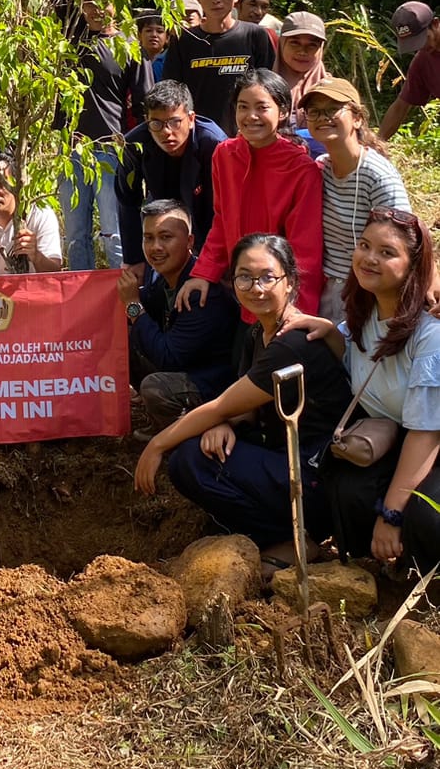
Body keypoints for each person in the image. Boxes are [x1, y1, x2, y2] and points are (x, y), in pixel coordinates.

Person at [135, 234, 351, 571]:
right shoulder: (258, 334)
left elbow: (223, 404)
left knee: (187, 460)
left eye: (268, 277)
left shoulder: (292, 344)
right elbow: (241, 405)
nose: (256, 287)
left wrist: (157, 445)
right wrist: (225, 423)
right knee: (201, 450)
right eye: (244, 277)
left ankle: (291, 540)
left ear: (290, 282)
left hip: (317, 476)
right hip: (284, 461)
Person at [317, 210, 440, 574]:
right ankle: (379, 569)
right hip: (397, 431)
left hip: (428, 437)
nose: (369, 258)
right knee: (346, 490)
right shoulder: (364, 309)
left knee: (424, 514)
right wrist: (321, 329)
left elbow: (426, 432)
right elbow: (348, 344)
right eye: (365, 245)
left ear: (413, 265)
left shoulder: (429, 333)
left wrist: (391, 511)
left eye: (387, 252)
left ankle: (423, 582)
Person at [24, 0, 141, 270]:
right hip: (72, 147)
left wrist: (135, 154)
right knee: (75, 233)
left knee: (113, 232)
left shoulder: (128, 47)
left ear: (115, 1)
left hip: (109, 150)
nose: (92, 8)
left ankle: (123, 307)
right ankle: (80, 311)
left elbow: (142, 105)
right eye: (86, 0)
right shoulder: (75, 31)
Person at [177, 68, 324, 316]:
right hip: (237, 287)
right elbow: (222, 220)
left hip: (276, 297)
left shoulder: (301, 168)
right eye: (243, 107)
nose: (251, 116)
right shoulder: (224, 154)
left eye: (262, 107)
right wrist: (204, 272)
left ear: (283, 112)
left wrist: (296, 311)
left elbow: (305, 249)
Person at [117, 200, 238, 430]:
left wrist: (132, 304)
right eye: (148, 238)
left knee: (155, 388)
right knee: (126, 336)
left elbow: (168, 357)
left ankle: (188, 437)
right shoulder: (165, 280)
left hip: (215, 386)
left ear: (190, 242)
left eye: (165, 237)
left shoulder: (201, 292)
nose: (155, 247)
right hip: (185, 368)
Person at [303, 79, 411, 322]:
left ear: (357, 118)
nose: (323, 117)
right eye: (315, 111)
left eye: (333, 109)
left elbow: (405, 241)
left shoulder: (377, 176)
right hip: (329, 290)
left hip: (370, 292)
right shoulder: (321, 169)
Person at [115, 80, 226, 265]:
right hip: (164, 218)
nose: (166, 132)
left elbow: (223, 211)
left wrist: (213, 263)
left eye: (175, 122)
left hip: (207, 220)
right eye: (156, 123)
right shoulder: (134, 145)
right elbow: (127, 202)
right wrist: (134, 261)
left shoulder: (214, 145)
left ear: (191, 119)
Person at [163, 0, 274, 135]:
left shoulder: (256, 35)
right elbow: (173, 92)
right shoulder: (183, 39)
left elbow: (268, 90)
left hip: (244, 135)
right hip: (197, 137)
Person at [379, 2, 440, 140]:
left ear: (435, 24)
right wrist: (376, 145)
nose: (423, 47)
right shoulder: (422, 62)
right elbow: (400, 107)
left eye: (425, 39)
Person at [276, 11, 330, 129]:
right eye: (294, 43)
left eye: (312, 45)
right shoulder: (260, 87)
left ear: (320, 49)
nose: (302, 51)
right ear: (282, 43)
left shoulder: (333, 90)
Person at [136, 9, 168, 81]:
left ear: (167, 37)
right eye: (148, 30)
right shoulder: (133, 61)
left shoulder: (171, 61)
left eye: (160, 31)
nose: (154, 35)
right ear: (139, 35)